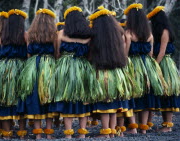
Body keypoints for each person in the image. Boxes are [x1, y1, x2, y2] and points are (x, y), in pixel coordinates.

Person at [49, 6, 102, 139]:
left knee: (67, 98)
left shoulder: (61, 33)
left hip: (65, 67)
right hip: (84, 67)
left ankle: (68, 134)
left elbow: (56, 53)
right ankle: (82, 133)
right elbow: (90, 55)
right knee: (83, 98)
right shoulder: (89, 35)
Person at [89, 7, 134, 138]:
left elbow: (90, 53)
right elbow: (125, 48)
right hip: (117, 71)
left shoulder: (95, 33)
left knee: (104, 101)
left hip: (101, 71)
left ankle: (105, 131)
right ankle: (112, 131)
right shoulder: (118, 32)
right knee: (114, 102)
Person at [0, 9, 28, 139]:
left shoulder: (1, 36)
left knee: (5, 100)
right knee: (20, 100)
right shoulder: (25, 35)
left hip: (4, 69)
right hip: (21, 68)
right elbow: (28, 53)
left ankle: (7, 134)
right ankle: (22, 134)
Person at [125, 3, 167, 134]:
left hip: (133, 66)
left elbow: (125, 53)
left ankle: (133, 128)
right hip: (147, 66)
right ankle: (143, 127)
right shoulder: (149, 34)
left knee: (132, 93)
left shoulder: (128, 33)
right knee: (145, 94)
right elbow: (150, 53)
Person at [17, 8, 57, 139]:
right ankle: (49, 133)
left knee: (35, 97)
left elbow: (28, 54)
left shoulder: (30, 34)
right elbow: (56, 53)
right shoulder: (55, 34)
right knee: (49, 96)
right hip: (49, 65)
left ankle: (38, 134)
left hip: (33, 65)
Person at [148, 6, 180, 132]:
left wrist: (155, 65)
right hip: (159, 63)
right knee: (162, 94)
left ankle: (168, 125)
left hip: (165, 64)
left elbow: (161, 52)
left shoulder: (165, 32)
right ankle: (165, 124)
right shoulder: (158, 32)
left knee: (168, 92)